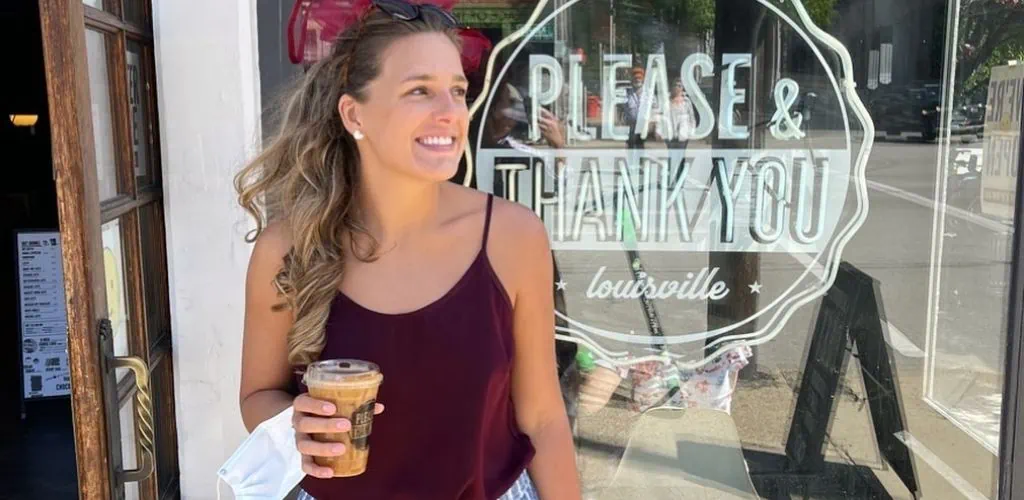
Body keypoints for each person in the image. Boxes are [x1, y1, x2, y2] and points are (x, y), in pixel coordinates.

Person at [233, 1, 581, 499]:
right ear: (355, 114)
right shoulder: (289, 246)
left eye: (457, 91)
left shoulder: (513, 236)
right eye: (419, 90)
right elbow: (256, 396)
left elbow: (543, 418)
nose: (450, 112)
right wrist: (292, 422)